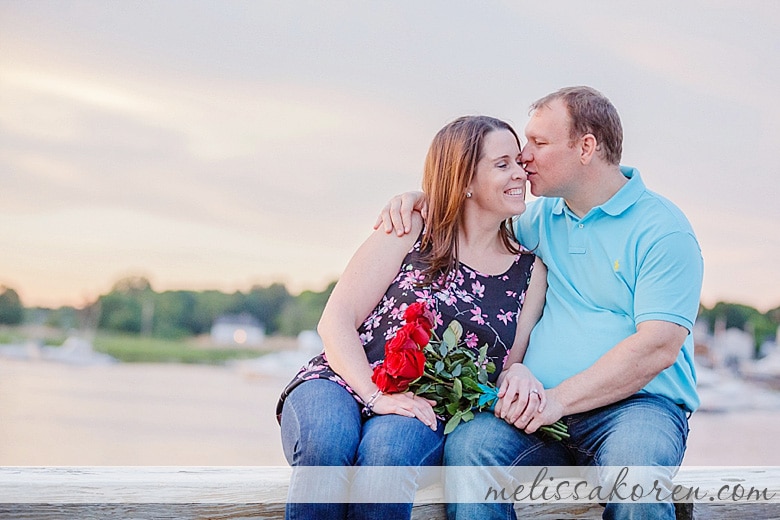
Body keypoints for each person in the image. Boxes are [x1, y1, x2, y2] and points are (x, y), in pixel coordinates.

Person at [376, 86, 704, 520]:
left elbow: (659, 346)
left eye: (539, 143)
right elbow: (474, 218)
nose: (524, 156)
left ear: (586, 147)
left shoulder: (663, 231)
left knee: (637, 478)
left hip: (636, 408)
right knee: (470, 448)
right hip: (540, 406)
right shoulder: (538, 220)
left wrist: (559, 401)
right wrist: (422, 200)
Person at [276, 115, 548, 520]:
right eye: (502, 164)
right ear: (465, 179)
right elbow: (336, 320)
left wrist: (521, 375)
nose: (519, 174)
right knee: (327, 442)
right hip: (341, 379)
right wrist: (374, 395)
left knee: (388, 457)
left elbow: (508, 366)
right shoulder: (411, 229)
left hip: (423, 407)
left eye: (519, 163)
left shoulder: (529, 272)